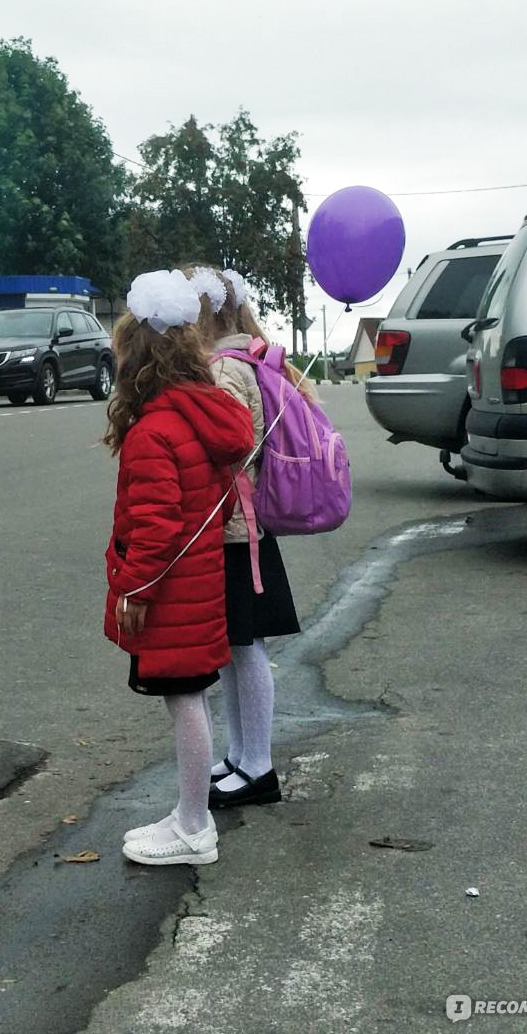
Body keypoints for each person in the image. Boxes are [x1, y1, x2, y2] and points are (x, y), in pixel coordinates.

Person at [103, 269, 255, 865]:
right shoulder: (200, 413)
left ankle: (195, 828)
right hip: (197, 585)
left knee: (184, 701)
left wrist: (136, 588)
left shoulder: (154, 430)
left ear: (135, 360)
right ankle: (190, 812)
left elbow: (157, 523)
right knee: (188, 697)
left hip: (170, 594)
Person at [185, 263, 306, 809]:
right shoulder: (245, 357)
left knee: (246, 646)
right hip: (242, 524)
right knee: (237, 646)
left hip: (238, 529)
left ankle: (258, 765)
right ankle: (241, 755)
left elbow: (231, 444)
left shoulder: (225, 369)